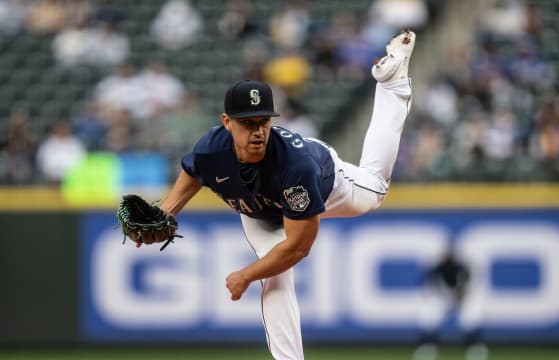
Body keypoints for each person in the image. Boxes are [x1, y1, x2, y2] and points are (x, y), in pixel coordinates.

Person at [134, 30, 415, 359]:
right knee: (277, 279)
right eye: (247, 123)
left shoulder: (295, 167)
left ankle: (393, 84)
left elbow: (298, 246)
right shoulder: (211, 149)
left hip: (325, 182)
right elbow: (194, 173)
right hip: (260, 214)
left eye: (263, 122)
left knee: (375, 191)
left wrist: (246, 274)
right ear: (227, 122)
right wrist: (167, 212)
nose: (257, 131)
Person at [414, 249, 486, 360]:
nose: (448, 258)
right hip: (442, 298)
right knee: (429, 315)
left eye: (450, 256)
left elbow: (469, 286)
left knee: (470, 316)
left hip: (461, 298)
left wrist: (461, 296)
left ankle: (475, 347)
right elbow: (429, 287)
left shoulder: (462, 268)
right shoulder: (436, 269)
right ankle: (427, 347)